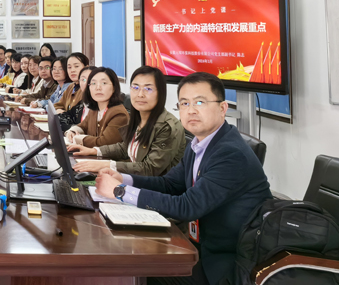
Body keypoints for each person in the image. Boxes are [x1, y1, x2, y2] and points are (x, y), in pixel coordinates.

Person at [95, 73, 272, 285]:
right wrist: (123, 179)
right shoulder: (199, 144)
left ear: (222, 108)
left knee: (130, 269)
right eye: (184, 103)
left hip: (223, 264)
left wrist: (120, 191)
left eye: (200, 102)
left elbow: (188, 206)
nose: (191, 110)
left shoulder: (230, 153)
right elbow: (170, 184)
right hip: (197, 246)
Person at [71, 66, 186, 176]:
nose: (140, 94)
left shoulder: (167, 126)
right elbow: (125, 147)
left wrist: (107, 165)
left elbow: (150, 169)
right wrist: (94, 151)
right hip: (135, 179)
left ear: (160, 92)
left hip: (154, 186)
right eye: (135, 88)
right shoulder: (139, 117)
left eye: (148, 89)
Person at [65, 67, 129, 148]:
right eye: (93, 83)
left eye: (104, 83)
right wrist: (72, 131)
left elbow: (104, 142)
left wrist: (79, 139)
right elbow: (83, 126)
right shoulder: (94, 109)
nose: (98, 88)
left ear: (114, 87)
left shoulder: (119, 114)